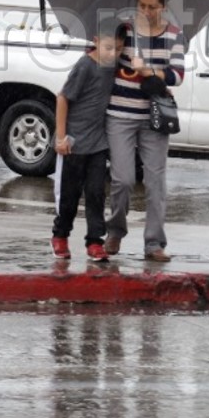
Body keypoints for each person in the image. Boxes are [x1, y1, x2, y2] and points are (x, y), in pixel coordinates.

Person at [105, 0, 186, 261]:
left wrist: (149, 70)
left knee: (155, 182)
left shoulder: (174, 34)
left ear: (163, 7)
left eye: (152, 7)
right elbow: (104, 61)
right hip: (120, 113)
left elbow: (177, 75)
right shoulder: (124, 30)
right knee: (123, 179)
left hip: (154, 117)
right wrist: (111, 49)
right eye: (142, 5)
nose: (147, 12)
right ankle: (115, 231)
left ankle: (154, 244)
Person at [52, 24, 120, 262]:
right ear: (95, 40)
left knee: (96, 193)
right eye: (109, 47)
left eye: (118, 50)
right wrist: (61, 138)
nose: (113, 54)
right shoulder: (85, 66)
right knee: (69, 195)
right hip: (74, 142)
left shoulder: (113, 66)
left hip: (98, 143)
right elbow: (62, 98)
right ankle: (60, 235)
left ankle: (94, 241)